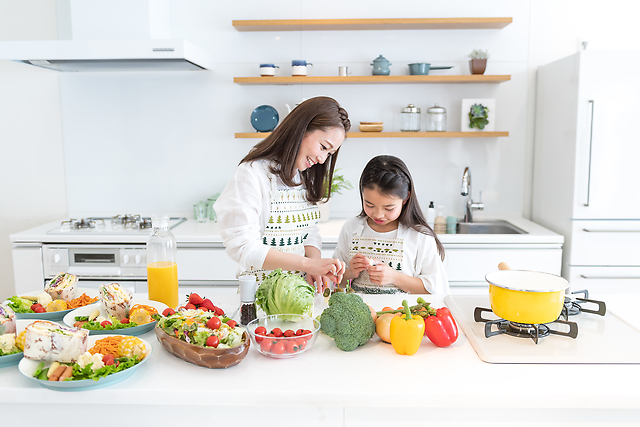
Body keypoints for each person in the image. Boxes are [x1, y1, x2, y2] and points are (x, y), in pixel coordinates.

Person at [214, 96, 350, 292]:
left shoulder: (304, 177)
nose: (322, 159)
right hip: (260, 298)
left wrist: (314, 263)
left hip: (301, 295)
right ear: (302, 130)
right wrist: (306, 265)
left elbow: (309, 233)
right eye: (323, 147)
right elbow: (242, 246)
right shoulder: (252, 174)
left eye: (329, 153)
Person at [333, 155, 449, 294]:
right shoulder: (351, 228)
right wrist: (350, 272)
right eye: (369, 205)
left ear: (406, 198)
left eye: (388, 208)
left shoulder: (419, 236)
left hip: (402, 315)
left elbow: (435, 289)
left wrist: (395, 277)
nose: (378, 214)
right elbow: (334, 283)